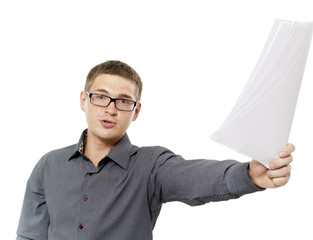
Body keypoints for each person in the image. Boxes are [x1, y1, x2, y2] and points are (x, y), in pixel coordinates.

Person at [16, 60, 294, 240]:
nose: (111, 109)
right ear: (84, 100)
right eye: (101, 97)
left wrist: (249, 175)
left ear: (135, 111)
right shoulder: (49, 165)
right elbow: (30, 235)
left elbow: (194, 177)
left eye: (123, 101)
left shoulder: (150, 165)